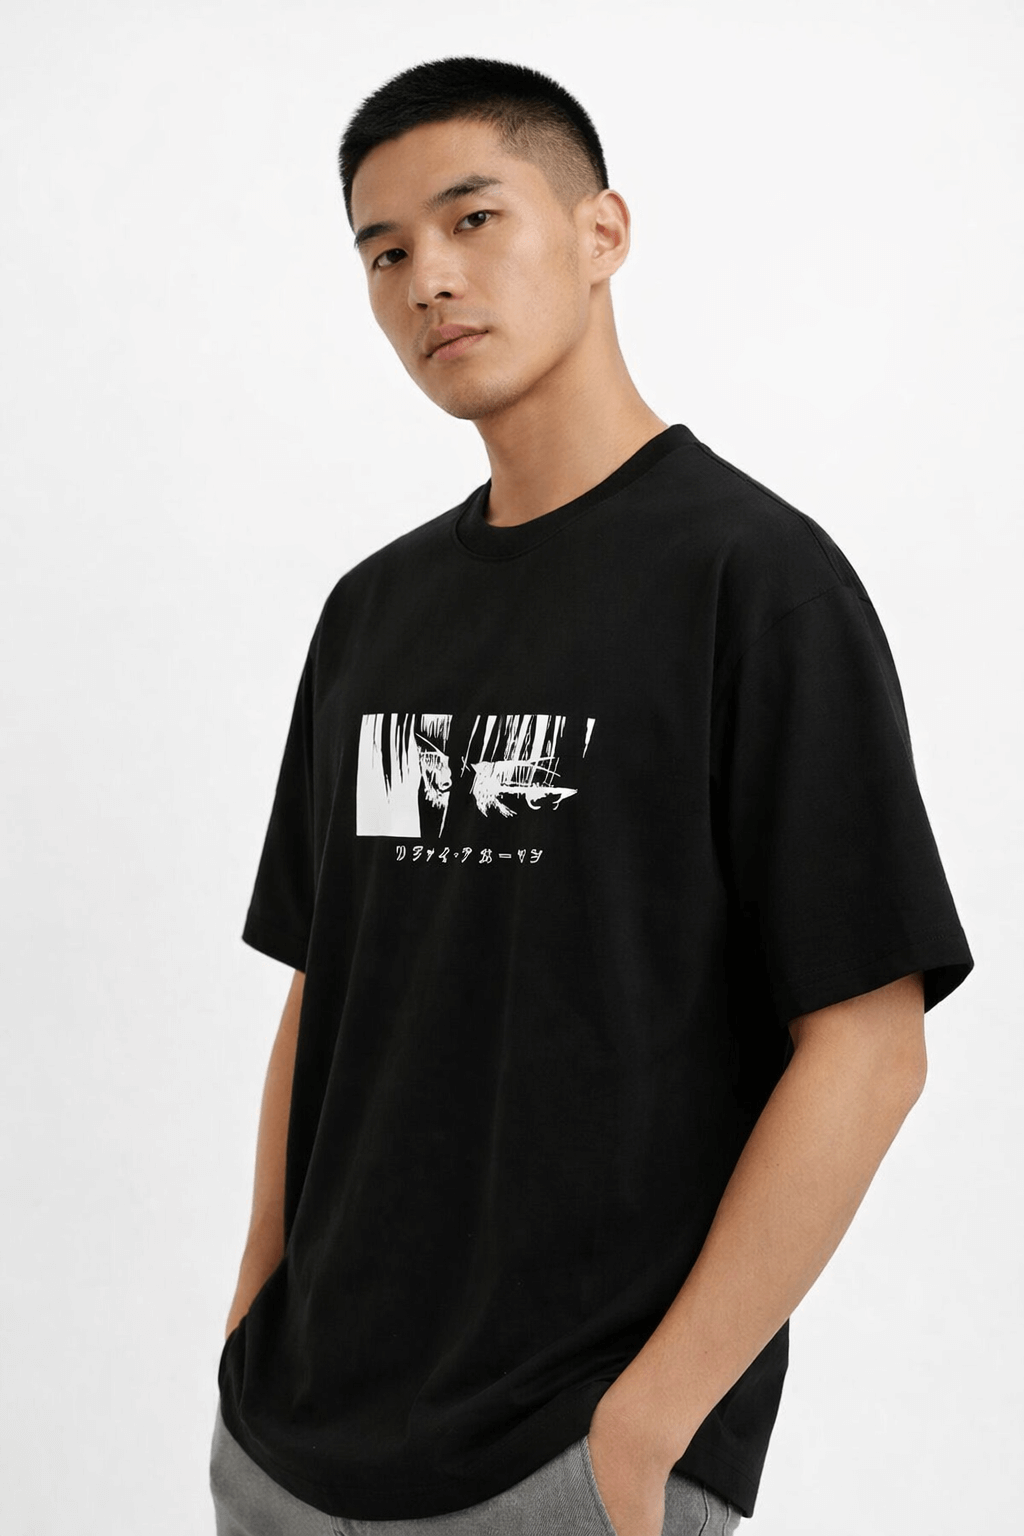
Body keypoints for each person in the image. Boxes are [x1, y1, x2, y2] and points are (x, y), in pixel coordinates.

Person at [209, 56, 974, 1536]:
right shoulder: (372, 613)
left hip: (565, 1467)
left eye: (472, 219)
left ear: (601, 232)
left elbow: (871, 1047)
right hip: (293, 1451)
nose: (429, 279)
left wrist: (649, 1427)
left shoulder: (757, 585)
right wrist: (256, 1317)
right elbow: (327, 986)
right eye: (384, 252)